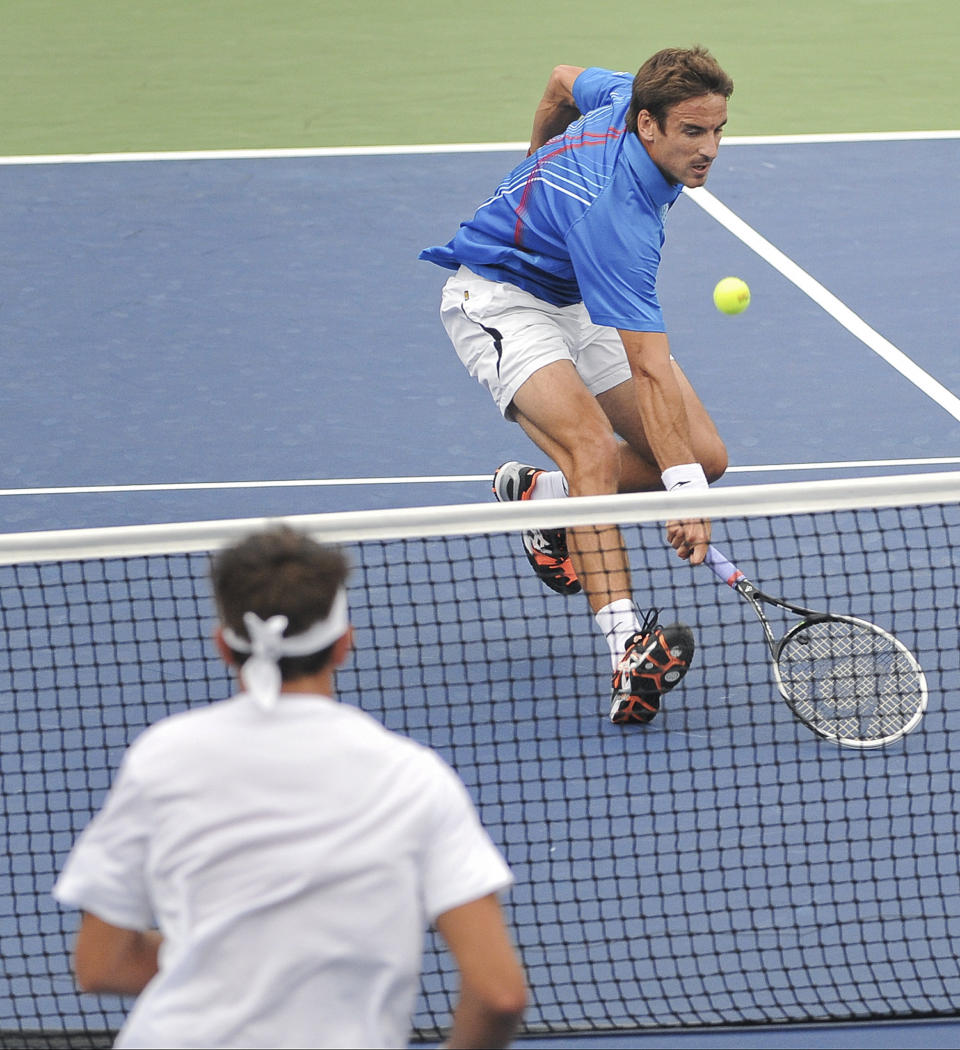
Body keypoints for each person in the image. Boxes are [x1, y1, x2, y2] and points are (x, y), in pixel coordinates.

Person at [52, 525, 527, 1049]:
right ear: (344, 643)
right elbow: (498, 993)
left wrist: (226, 960)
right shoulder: (413, 779)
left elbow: (100, 965)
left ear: (223, 646)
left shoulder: (161, 759)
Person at [420, 47, 734, 726]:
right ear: (646, 124)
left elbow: (561, 78)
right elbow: (649, 367)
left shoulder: (629, 93)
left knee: (706, 456)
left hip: (578, 292)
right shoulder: (617, 219)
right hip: (499, 297)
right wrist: (683, 500)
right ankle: (627, 648)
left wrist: (529, 167)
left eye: (718, 131)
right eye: (693, 133)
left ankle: (546, 498)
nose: (709, 148)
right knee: (592, 447)